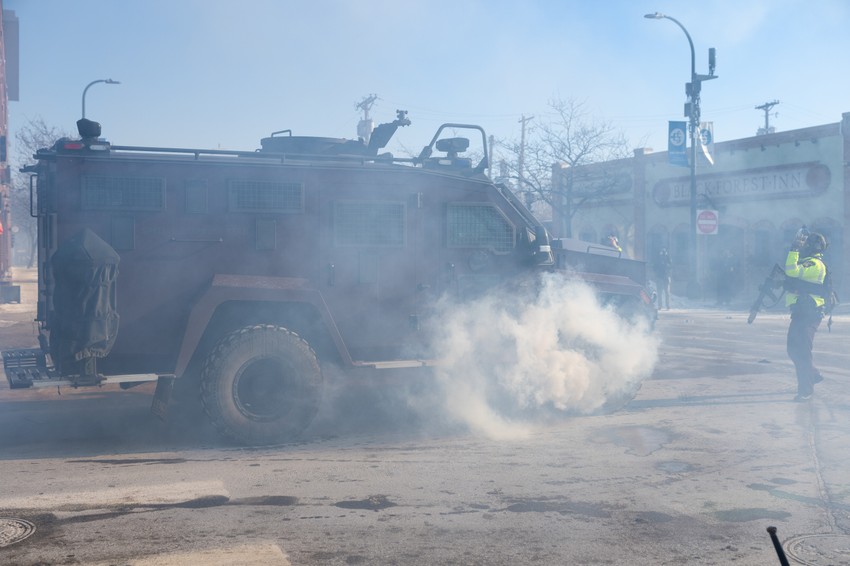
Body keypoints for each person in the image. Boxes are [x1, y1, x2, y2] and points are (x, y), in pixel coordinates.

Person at [784, 230, 829, 401]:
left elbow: (791, 271)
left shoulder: (814, 264)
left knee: (802, 351)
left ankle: (806, 391)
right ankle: (813, 375)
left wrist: (794, 249)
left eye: (804, 244)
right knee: (792, 349)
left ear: (811, 247)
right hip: (800, 313)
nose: (802, 246)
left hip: (809, 314)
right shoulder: (807, 263)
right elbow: (794, 279)